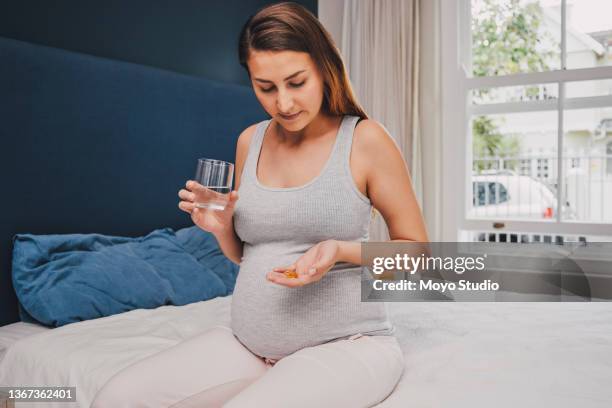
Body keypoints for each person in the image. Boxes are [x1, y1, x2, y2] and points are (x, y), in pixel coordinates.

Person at [92, 2, 428, 407]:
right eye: (265, 87)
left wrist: (340, 250)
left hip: (349, 345)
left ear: (324, 68)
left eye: (296, 82)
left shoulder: (366, 140)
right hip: (249, 345)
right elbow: (245, 255)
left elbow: (418, 254)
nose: (283, 103)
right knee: (115, 398)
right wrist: (222, 227)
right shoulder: (250, 141)